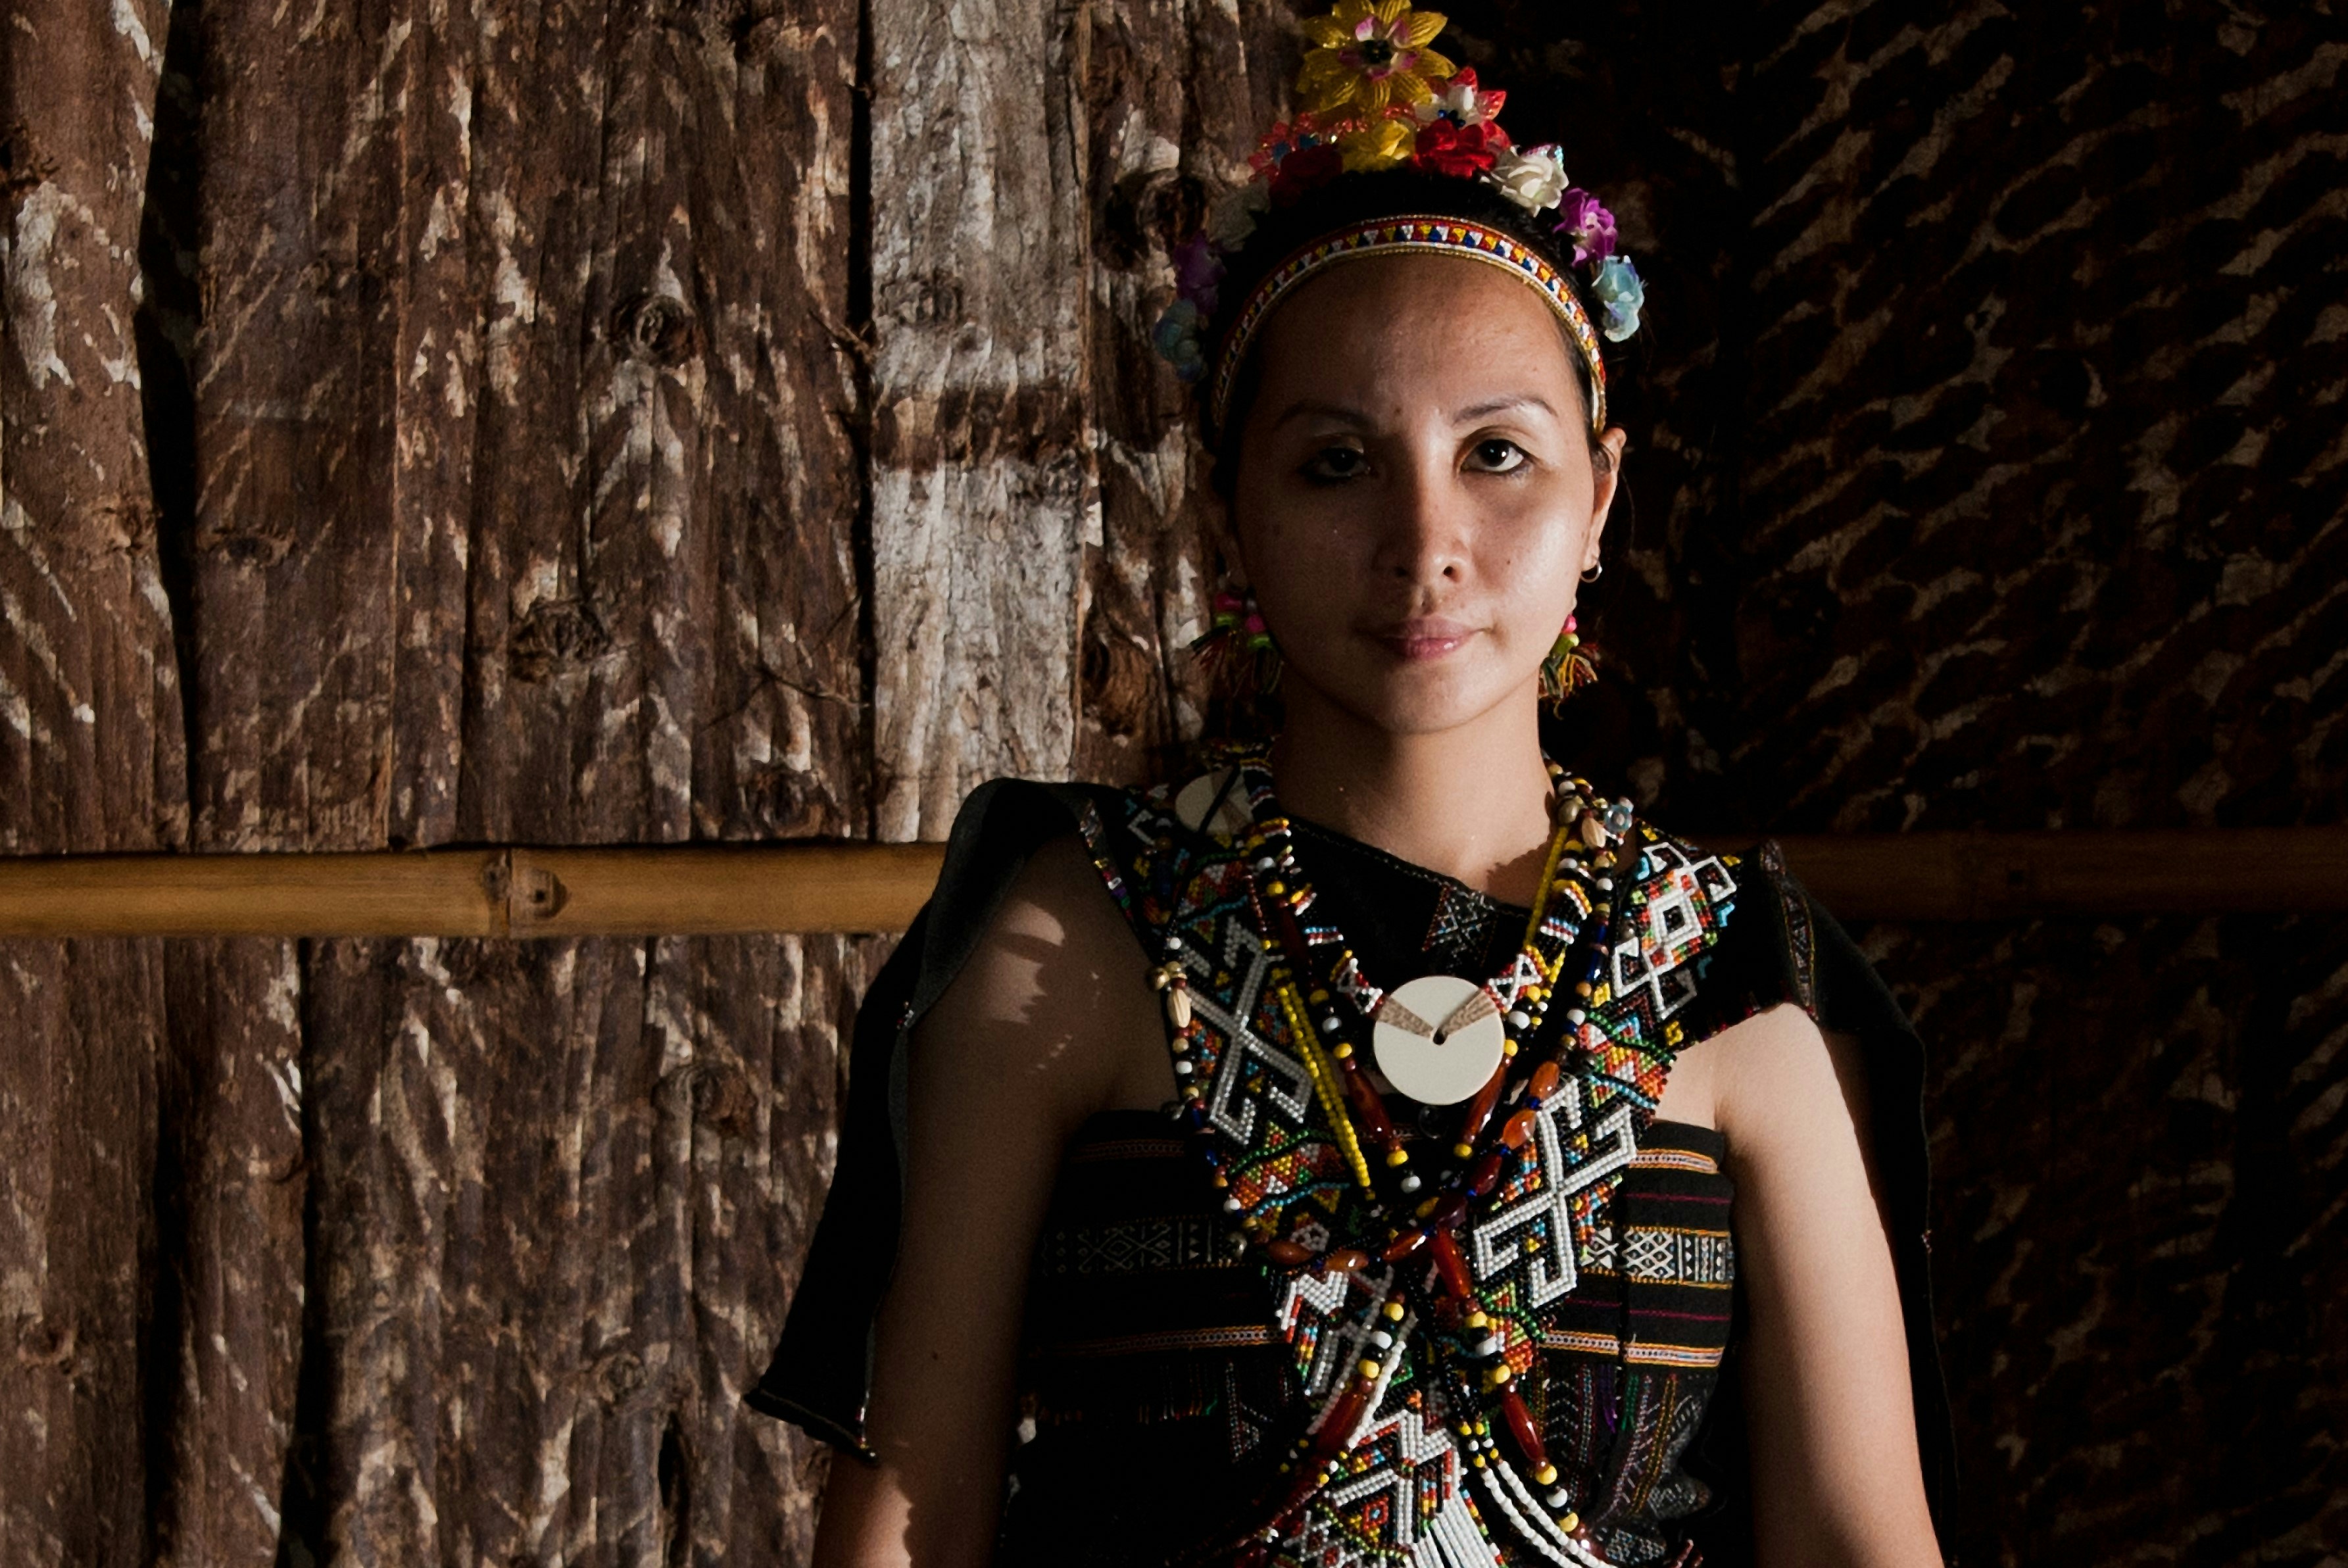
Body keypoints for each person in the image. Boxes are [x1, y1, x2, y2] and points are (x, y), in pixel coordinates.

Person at [752, 7, 1953, 1563]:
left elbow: (1864, 1544)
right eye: (1335, 462)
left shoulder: (1727, 981)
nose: (1424, 539)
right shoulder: (1085, 938)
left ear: (1604, 497)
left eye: (1498, 454)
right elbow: (911, 1524)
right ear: (1227, 510)